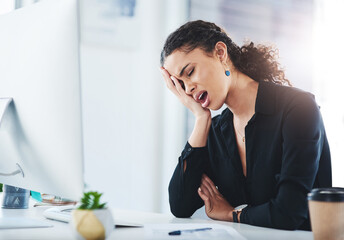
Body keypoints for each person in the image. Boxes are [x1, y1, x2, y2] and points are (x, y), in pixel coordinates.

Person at [159, 20, 332, 231]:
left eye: (190, 72)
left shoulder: (298, 108)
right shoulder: (216, 130)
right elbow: (180, 205)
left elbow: (288, 212)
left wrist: (231, 214)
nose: (188, 89)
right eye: (181, 84)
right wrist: (200, 118)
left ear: (220, 53)